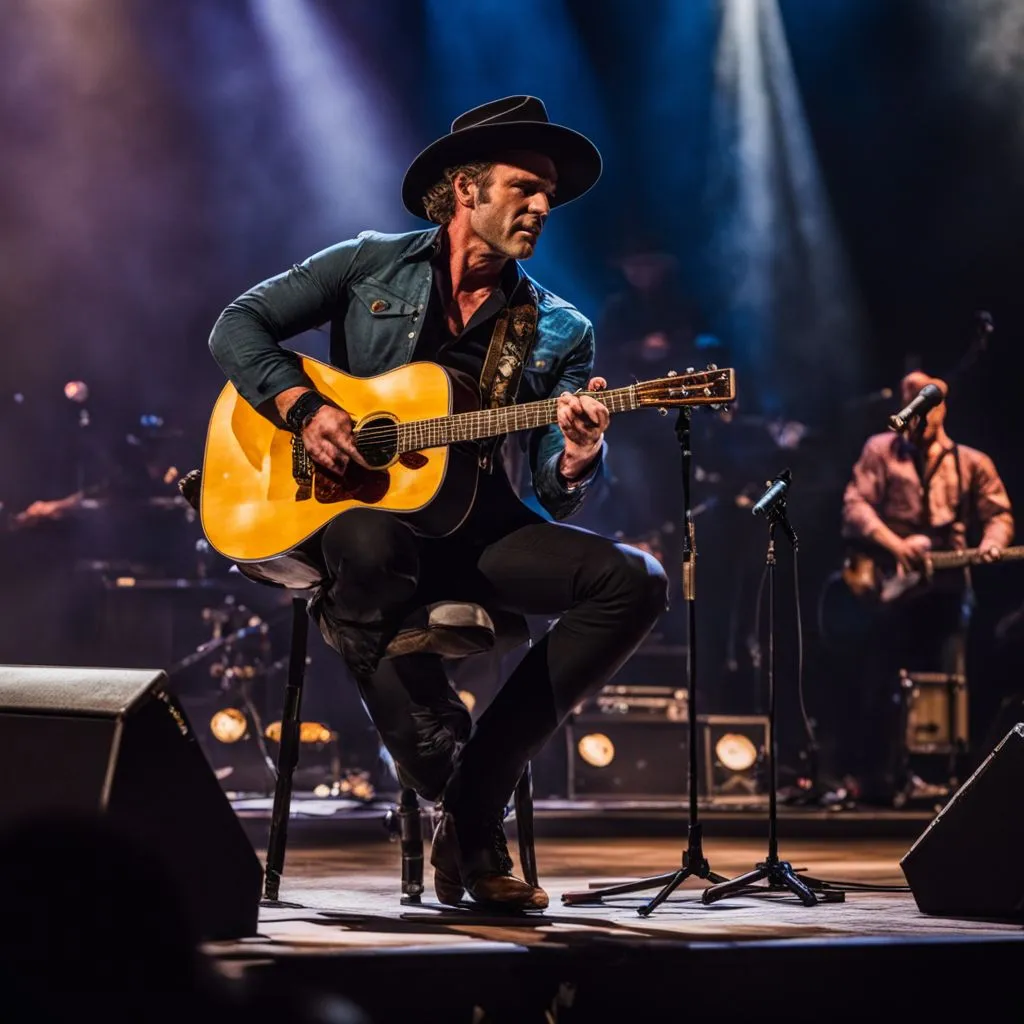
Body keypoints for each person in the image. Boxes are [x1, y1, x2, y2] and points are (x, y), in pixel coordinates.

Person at [207, 95, 669, 910]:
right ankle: (462, 806)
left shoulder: (559, 328)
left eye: (549, 197)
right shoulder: (369, 264)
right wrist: (308, 409)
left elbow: (554, 492)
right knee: (371, 547)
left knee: (635, 579)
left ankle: (469, 795)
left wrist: (581, 450)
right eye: (524, 188)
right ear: (465, 190)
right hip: (360, 514)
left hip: (478, 524)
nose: (541, 209)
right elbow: (238, 326)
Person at [835, 369, 1014, 804]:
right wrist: (895, 544)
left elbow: (999, 514)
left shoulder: (971, 461)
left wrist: (992, 544)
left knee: (948, 681)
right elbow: (855, 506)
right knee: (882, 679)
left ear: (939, 409)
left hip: (948, 587)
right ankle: (878, 776)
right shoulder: (881, 450)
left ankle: (938, 777)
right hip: (892, 588)